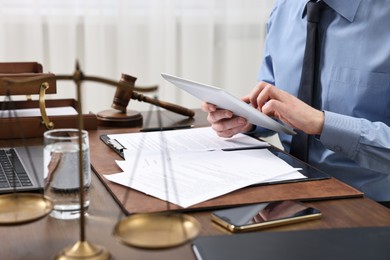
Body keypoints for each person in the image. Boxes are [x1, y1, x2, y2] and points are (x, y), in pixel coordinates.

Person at [202, 0, 390, 204]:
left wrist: (322, 124)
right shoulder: (283, 9)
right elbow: (273, 98)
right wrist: (248, 117)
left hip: (370, 205)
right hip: (285, 190)